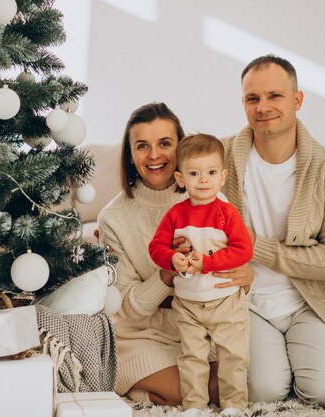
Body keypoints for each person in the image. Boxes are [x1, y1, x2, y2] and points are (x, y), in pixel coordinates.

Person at [97, 102, 253, 406]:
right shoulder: (112, 218)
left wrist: (246, 277)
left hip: (201, 322)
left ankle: (155, 392)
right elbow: (126, 308)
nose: (154, 155)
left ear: (180, 148)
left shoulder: (210, 197)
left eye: (165, 143)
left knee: (238, 383)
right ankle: (151, 389)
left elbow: (234, 255)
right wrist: (166, 273)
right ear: (130, 155)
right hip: (143, 334)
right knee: (193, 391)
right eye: (142, 146)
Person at [222, 54, 325, 404]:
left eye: (274, 96)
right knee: (263, 391)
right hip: (246, 303)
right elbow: (169, 182)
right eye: (253, 98)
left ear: (297, 100)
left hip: (308, 303)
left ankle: (305, 356)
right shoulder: (221, 157)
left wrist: (258, 247)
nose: (263, 107)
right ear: (243, 104)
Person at [148, 133, 253, 417]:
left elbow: (243, 251)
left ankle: (233, 404)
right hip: (189, 304)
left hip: (225, 301)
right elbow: (155, 248)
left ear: (222, 177)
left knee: (233, 354)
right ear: (181, 179)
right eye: (194, 173)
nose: (203, 180)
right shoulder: (176, 215)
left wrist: (206, 262)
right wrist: (173, 258)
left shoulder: (227, 213)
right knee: (192, 356)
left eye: (211, 173)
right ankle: (194, 405)